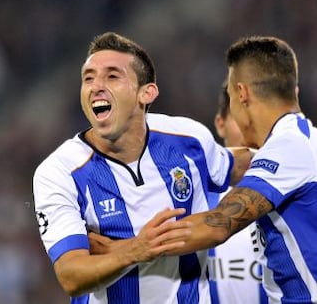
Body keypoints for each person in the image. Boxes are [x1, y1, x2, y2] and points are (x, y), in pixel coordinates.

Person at [33, 31, 252, 303]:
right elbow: (70, 275)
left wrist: (298, 152)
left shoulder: (187, 139)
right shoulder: (59, 172)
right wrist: (136, 250)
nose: (96, 85)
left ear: (146, 93)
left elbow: (240, 164)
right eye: (88, 78)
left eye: (112, 76)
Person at [150, 36, 317, 303]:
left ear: (241, 94)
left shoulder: (289, 147)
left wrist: (129, 246)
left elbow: (216, 226)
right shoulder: (301, 141)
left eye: (229, 96)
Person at [207, 81, 268, 304]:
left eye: (258, 117)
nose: (249, 125)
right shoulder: (194, 196)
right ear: (220, 124)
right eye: (239, 115)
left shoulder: (297, 194)